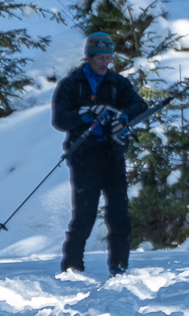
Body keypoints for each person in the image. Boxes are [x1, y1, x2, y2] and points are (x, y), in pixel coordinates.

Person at [50, 32, 148, 276]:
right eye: (100, 58)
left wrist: (122, 118)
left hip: (113, 154)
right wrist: (84, 114)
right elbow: (60, 119)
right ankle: (72, 267)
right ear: (89, 57)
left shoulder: (118, 83)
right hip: (84, 155)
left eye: (108, 58)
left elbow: (140, 106)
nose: (104, 63)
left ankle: (120, 268)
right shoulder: (72, 84)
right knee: (84, 214)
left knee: (119, 215)